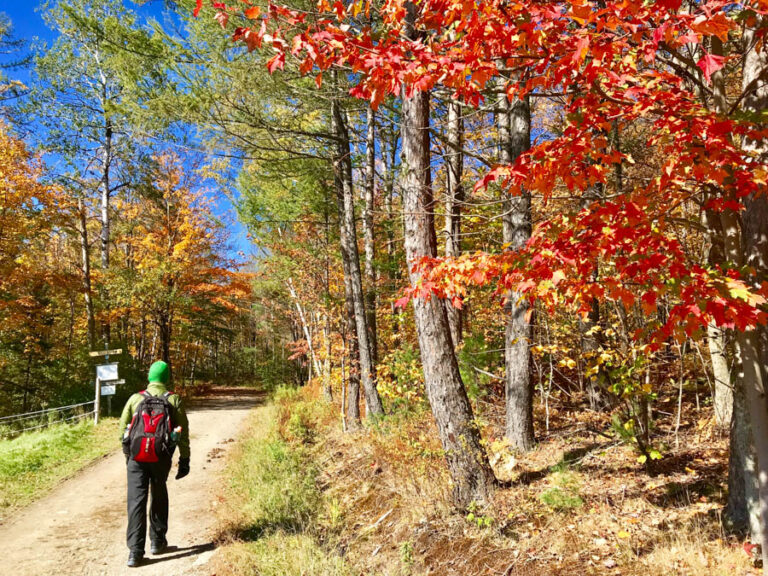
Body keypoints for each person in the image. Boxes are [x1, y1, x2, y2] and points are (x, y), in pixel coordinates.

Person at [119, 360, 190, 568]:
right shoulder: (173, 399)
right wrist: (184, 459)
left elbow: (122, 429)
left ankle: (135, 552)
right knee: (159, 493)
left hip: (137, 458)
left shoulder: (135, 399)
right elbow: (182, 432)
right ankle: (158, 542)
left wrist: (129, 456)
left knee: (136, 501)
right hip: (161, 457)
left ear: (150, 377)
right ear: (166, 378)